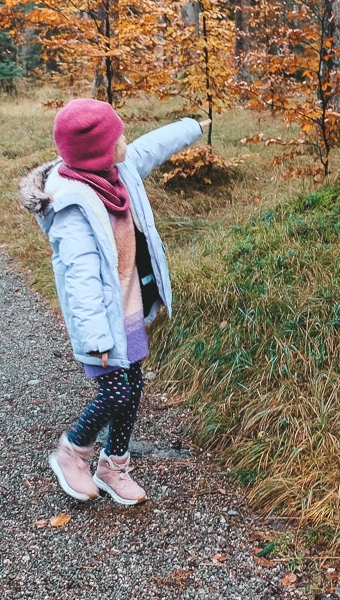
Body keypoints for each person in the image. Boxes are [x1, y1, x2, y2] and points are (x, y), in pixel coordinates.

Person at [20, 98, 208, 505]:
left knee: (133, 386)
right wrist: (96, 340)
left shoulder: (116, 173)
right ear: (98, 150)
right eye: (117, 135)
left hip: (129, 310)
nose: (125, 139)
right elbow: (80, 280)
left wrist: (192, 126)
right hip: (100, 325)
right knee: (116, 393)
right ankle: (72, 451)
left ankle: (113, 465)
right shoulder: (72, 207)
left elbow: (149, 148)